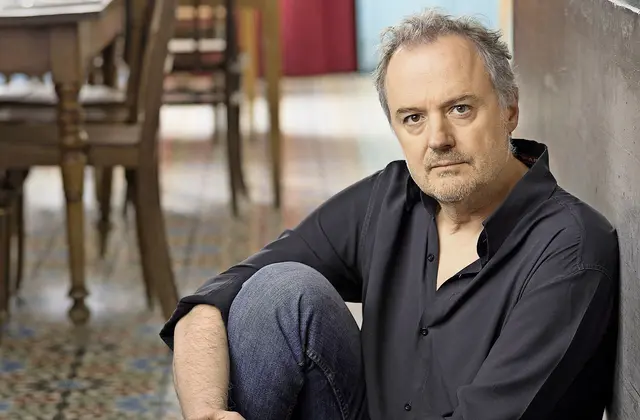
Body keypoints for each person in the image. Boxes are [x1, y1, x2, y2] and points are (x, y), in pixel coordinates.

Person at [160, 9, 619, 420]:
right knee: (279, 292)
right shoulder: (390, 199)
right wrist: (207, 412)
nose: (437, 139)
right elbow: (211, 301)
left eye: (460, 109)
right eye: (413, 118)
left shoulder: (571, 250)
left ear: (510, 109)